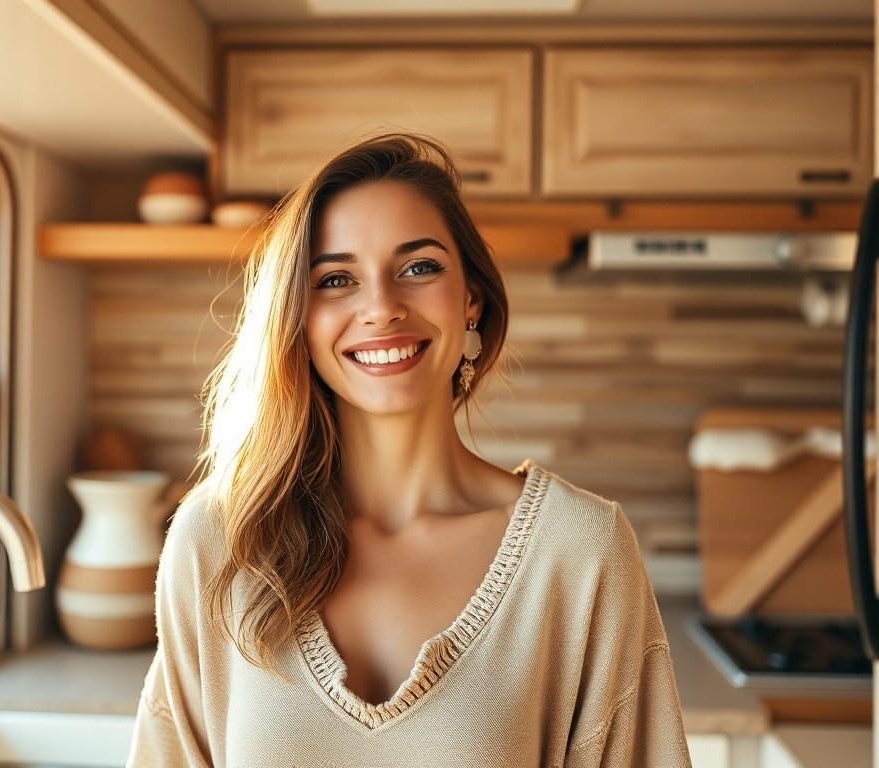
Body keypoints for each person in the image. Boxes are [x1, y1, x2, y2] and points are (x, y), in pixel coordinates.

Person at [127, 133, 692, 767]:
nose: (381, 308)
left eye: (418, 267)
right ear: (297, 319)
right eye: (336, 279)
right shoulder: (221, 541)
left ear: (471, 299)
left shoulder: (583, 551)